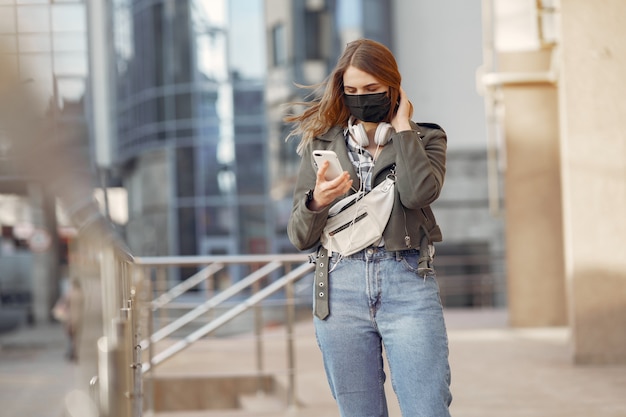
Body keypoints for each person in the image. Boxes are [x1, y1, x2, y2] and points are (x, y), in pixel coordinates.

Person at [285, 39, 452, 417]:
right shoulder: (322, 143)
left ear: (394, 87)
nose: (362, 98)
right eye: (353, 91)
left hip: (407, 282)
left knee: (428, 409)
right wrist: (318, 201)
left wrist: (403, 128)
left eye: (373, 90)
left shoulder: (428, 138)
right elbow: (299, 235)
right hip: (340, 290)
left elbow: (417, 194)